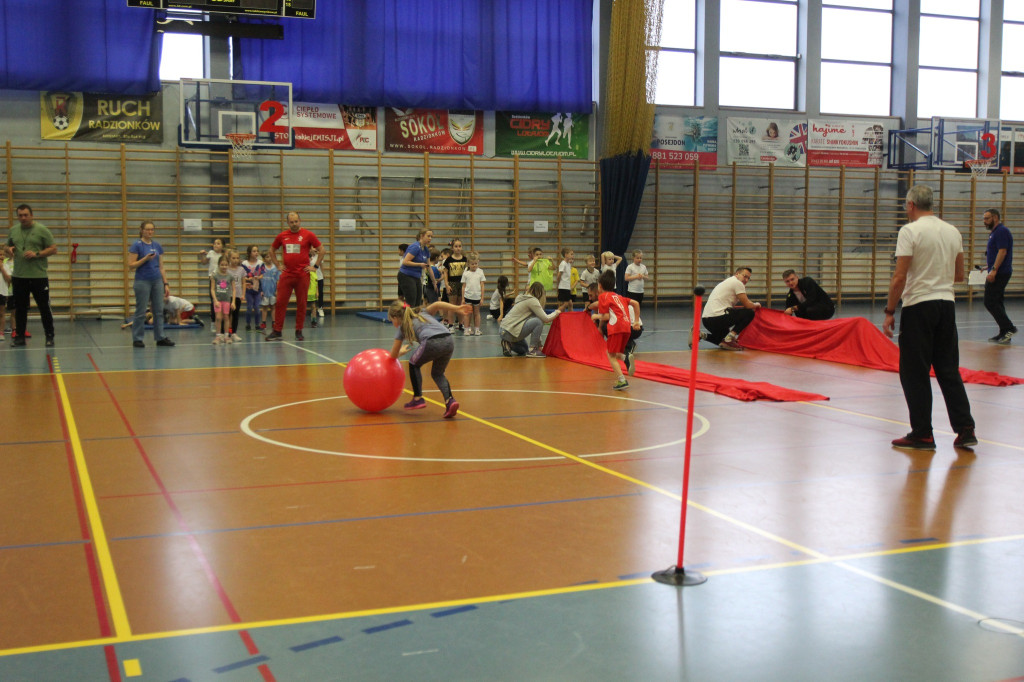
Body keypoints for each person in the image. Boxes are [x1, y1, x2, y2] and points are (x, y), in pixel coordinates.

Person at [883, 184, 977, 451]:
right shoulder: (952, 231)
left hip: (919, 307)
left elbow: (899, 277)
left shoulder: (909, 231)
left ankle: (922, 433)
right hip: (946, 306)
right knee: (948, 370)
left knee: (914, 372)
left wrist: (890, 311)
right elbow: (959, 275)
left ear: (911, 205)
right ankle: (965, 428)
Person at [388, 299, 472, 418]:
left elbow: (392, 356)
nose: (392, 323)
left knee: (413, 364)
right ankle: (450, 401)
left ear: (395, 317)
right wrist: (457, 308)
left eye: (391, 320)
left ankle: (418, 398)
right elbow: (437, 304)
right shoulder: (422, 312)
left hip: (431, 341)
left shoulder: (402, 328)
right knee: (438, 373)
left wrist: (400, 353)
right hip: (448, 340)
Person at [266, 211, 324, 342]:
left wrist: (315, 267)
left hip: (302, 275)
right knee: (280, 302)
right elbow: (271, 250)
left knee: (302, 304)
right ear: (288, 223)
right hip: (287, 275)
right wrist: (277, 265)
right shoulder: (282, 236)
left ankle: (299, 330)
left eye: (296, 221)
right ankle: (277, 331)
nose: (294, 224)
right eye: (291, 222)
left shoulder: (308, 235)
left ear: (300, 221)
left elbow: (322, 250)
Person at [7, 204, 57, 347]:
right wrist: (8, 249)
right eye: (20, 215)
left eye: (25, 215)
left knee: (44, 307)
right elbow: (6, 247)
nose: (23, 218)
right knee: (20, 308)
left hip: (38, 276)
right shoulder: (13, 231)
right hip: (19, 276)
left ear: (31, 215)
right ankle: (20, 337)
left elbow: (53, 249)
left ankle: (49, 336)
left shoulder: (42, 230)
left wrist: (37, 254)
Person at [127, 220, 175, 349]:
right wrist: (145, 259)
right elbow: (131, 266)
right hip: (142, 281)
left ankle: (160, 337)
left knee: (159, 310)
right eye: (147, 229)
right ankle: (137, 338)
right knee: (141, 310)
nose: (150, 232)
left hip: (157, 281)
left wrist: (166, 283)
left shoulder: (157, 246)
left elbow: (161, 266)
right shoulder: (136, 245)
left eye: (152, 229)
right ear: (141, 230)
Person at [593, 270, 642, 390]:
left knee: (610, 355)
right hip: (627, 328)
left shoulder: (603, 296)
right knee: (615, 353)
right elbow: (635, 303)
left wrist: (596, 316)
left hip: (616, 327)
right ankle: (626, 358)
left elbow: (606, 316)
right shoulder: (618, 296)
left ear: (599, 286)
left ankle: (622, 380)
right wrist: (635, 321)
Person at [696, 266, 761, 351]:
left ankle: (700, 335)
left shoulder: (727, 281)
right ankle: (729, 338)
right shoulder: (737, 283)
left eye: (748, 278)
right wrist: (757, 305)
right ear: (737, 274)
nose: (746, 280)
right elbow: (748, 305)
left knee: (722, 341)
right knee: (749, 312)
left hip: (707, 320)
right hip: (717, 318)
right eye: (745, 276)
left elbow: (745, 303)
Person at [498, 282, 565, 357]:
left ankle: (507, 343)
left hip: (504, 330)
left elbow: (537, 328)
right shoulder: (532, 300)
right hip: (509, 331)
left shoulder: (524, 298)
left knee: (523, 349)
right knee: (538, 321)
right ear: (540, 293)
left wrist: (540, 345)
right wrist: (557, 312)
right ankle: (532, 350)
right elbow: (546, 319)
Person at [981, 208, 1016, 344]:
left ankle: (1009, 328)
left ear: (995, 218)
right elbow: (996, 253)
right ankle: (1004, 332)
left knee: (990, 301)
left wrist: (994, 270)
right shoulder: (995, 232)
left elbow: (1002, 252)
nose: (984, 222)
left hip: (1000, 273)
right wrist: (988, 267)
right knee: (997, 301)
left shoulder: (1001, 231)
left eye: (987, 218)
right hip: (998, 270)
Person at [397, 229, 434, 308]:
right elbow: (405, 262)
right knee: (411, 301)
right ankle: (405, 317)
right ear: (421, 236)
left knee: (417, 302)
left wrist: (434, 282)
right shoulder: (415, 247)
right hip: (406, 275)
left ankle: (413, 318)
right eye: (428, 236)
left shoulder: (426, 250)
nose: (430, 238)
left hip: (416, 276)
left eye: (431, 236)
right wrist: (419, 264)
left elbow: (429, 267)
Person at [197, 237, 225, 326]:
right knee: (214, 300)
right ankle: (213, 321)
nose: (215, 245)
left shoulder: (224, 255)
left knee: (223, 299)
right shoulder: (211, 253)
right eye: (214, 243)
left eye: (218, 243)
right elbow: (204, 262)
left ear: (222, 246)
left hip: (222, 280)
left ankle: (223, 320)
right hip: (213, 279)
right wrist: (202, 255)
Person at [210, 255, 237, 345]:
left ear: (228, 265)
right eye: (222, 265)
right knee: (218, 317)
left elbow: (233, 289)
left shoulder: (230, 276)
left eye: (226, 265)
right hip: (218, 300)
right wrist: (215, 300)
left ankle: (226, 336)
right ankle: (218, 336)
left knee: (226, 317)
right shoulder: (215, 276)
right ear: (218, 265)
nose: (224, 267)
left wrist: (233, 301)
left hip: (226, 300)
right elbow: (212, 289)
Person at [442, 238, 468, 329]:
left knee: (460, 304)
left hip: (462, 284)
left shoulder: (465, 259)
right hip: (452, 283)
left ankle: (461, 324)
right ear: (452, 248)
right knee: (452, 305)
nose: (458, 248)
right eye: (456, 246)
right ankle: (451, 324)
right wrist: (446, 284)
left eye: (459, 246)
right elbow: (445, 272)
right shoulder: (449, 260)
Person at [461, 252, 486, 335]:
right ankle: (467, 329)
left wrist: (482, 298)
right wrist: (463, 298)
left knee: (477, 313)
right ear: (468, 264)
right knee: (467, 313)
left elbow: (482, 285)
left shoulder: (480, 272)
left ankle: (477, 329)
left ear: (478, 262)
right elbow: (463, 286)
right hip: (468, 296)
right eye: (472, 264)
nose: (474, 265)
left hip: (477, 297)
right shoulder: (466, 273)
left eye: (476, 263)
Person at [241, 245, 265, 331]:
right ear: (249, 253)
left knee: (257, 307)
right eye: (254, 251)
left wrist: (259, 277)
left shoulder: (260, 262)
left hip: (257, 288)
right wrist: (247, 279)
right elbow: (242, 276)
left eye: (257, 251)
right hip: (248, 289)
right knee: (249, 307)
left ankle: (257, 324)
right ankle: (248, 324)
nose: (256, 253)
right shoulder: (244, 264)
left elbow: (262, 274)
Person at [225, 249, 245, 342]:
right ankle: (226, 333)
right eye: (233, 258)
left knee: (236, 314)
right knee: (227, 315)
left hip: (237, 295)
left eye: (237, 258)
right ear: (229, 258)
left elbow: (243, 283)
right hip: (227, 295)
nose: (235, 260)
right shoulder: (226, 269)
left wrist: (243, 294)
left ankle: (234, 333)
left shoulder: (241, 269)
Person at [260, 250, 279, 331]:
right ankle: (263, 322)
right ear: (264, 259)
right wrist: (260, 290)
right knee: (264, 307)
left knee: (273, 307)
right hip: (264, 291)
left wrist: (277, 290)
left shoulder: (275, 267)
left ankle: (274, 322)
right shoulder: (262, 267)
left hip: (273, 291)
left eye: (271, 256)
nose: (270, 258)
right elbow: (259, 279)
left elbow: (278, 280)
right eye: (267, 257)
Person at [0, 245, 11, 341]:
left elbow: (8, 279)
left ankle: (1, 332)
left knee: (2, 313)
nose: (1, 257)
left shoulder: (6, 266)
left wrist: (2, 268)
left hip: (2, 292)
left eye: (2, 255)